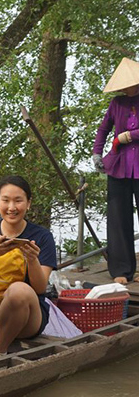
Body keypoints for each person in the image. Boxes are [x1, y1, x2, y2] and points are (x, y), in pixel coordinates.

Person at [0, 175, 57, 359]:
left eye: (18, 201)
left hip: (24, 318)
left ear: (28, 203)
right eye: (5, 200)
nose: (12, 208)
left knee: (19, 290)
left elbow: (40, 288)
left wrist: (32, 260)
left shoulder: (42, 237)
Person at [92, 57, 139, 284]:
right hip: (118, 166)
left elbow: (125, 135)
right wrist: (97, 153)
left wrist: (128, 136)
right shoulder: (116, 103)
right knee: (118, 219)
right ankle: (122, 270)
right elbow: (103, 129)